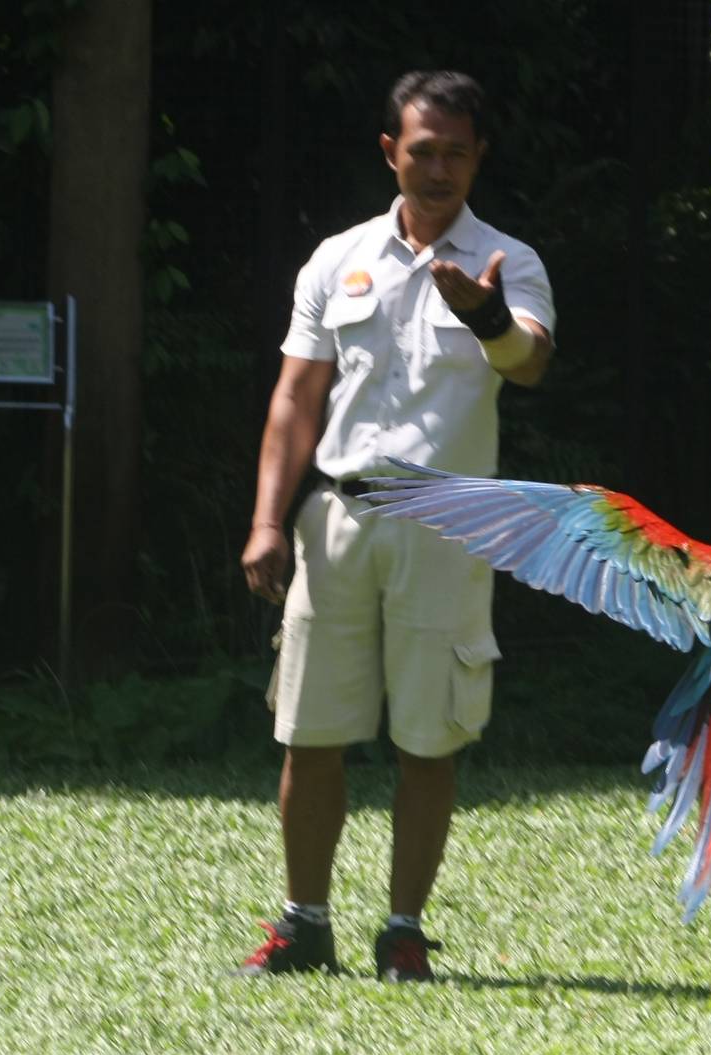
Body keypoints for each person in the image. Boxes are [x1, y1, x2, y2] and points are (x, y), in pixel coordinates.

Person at [236, 70, 555, 982]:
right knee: (310, 731)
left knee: (428, 737)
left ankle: (403, 931)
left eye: (458, 152)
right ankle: (305, 926)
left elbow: (530, 363)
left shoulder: (508, 259)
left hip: (449, 526)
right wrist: (268, 521)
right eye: (424, 151)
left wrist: (487, 316)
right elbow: (296, 396)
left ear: (479, 157)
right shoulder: (339, 258)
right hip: (333, 519)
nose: (440, 168)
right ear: (391, 153)